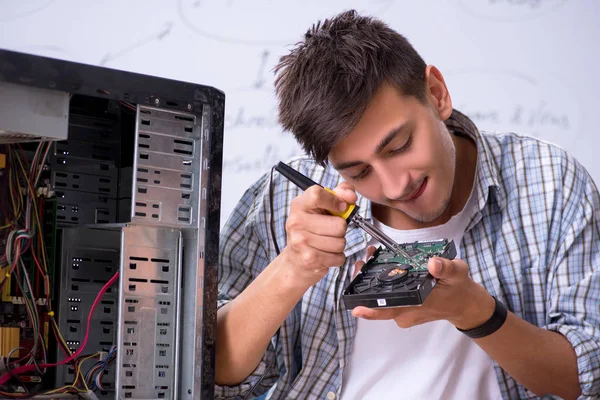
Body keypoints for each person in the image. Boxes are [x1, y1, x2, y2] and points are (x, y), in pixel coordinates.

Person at [214, 9, 600, 400]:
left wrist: (474, 312)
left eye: (399, 147)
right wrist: (293, 268)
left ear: (436, 94)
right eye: (360, 172)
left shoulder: (551, 181)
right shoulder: (284, 201)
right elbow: (209, 374)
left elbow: (587, 381)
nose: (395, 186)